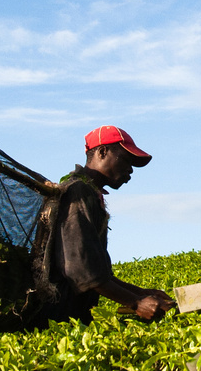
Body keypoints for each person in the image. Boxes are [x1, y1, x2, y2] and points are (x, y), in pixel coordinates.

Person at [38, 125, 175, 327]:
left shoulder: (89, 193)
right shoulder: (78, 193)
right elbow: (81, 272)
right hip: (58, 318)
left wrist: (144, 293)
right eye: (127, 160)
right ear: (103, 152)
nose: (130, 169)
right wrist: (136, 303)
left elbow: (99, 273)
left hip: (70, 315)